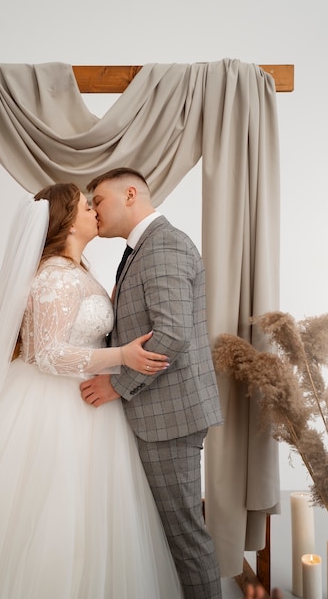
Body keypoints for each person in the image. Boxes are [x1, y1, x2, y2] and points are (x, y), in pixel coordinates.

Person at [0, 183, 184, 599]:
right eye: (84, 205)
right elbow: (48, 354)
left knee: (92, 519)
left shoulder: (78, 271)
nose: (94, 210)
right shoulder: (54, 276)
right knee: (51, 514)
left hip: (90, 401)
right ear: (66, 221)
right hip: (55, 405)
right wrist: (122, 358)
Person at [80, 168, 224, 599]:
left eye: (98, 201)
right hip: (159, 412)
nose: (94, 211)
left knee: (184, 536)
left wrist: (116, 385)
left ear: (130, 194)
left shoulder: (164, 246)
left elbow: (172, 334)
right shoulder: (143, 247)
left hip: (169, 417)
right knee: (166, 531)